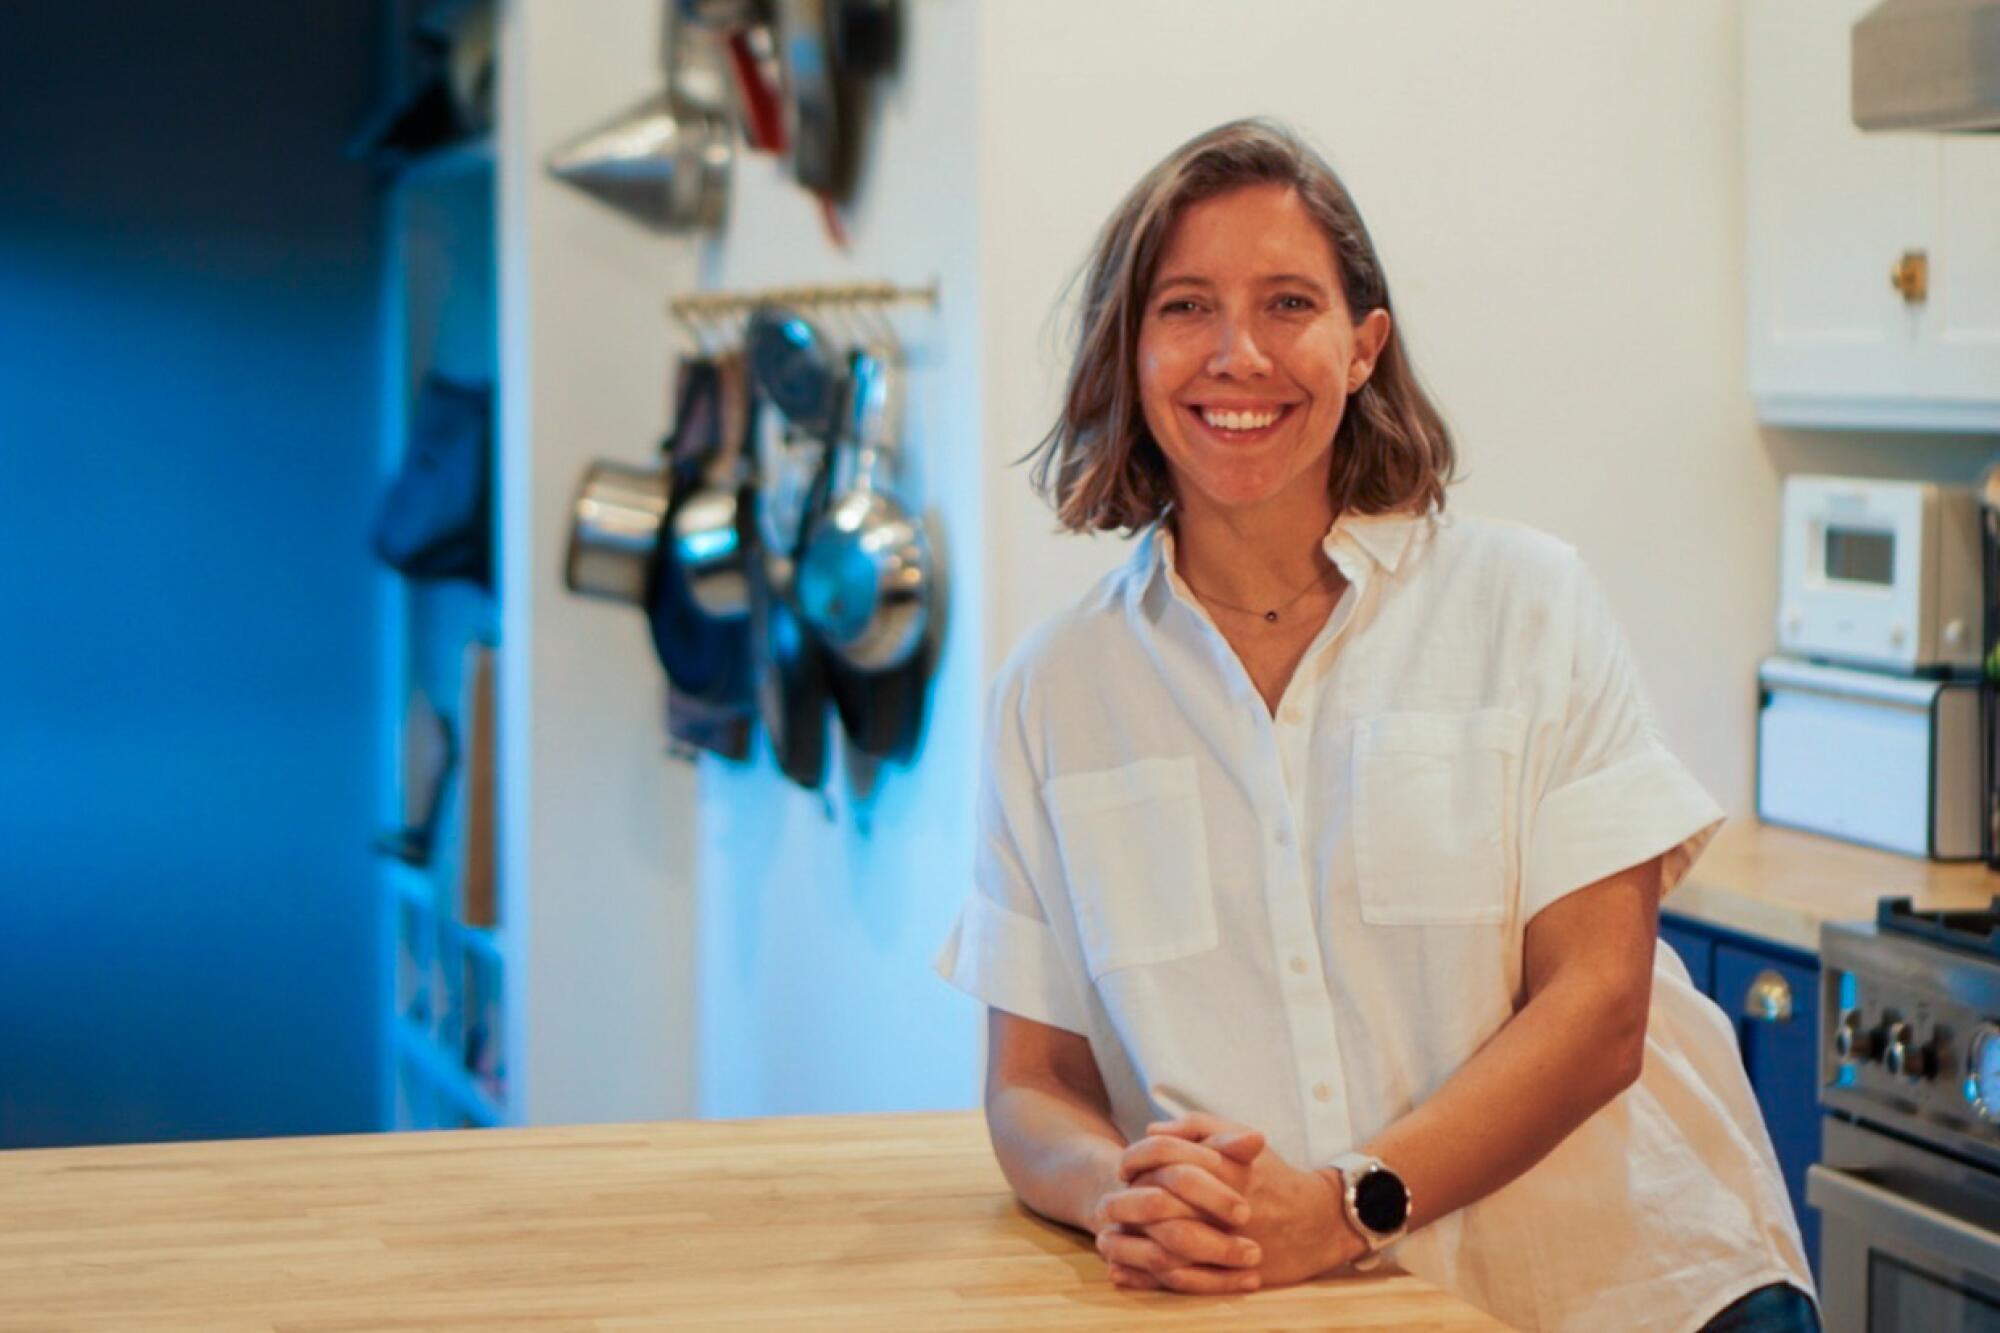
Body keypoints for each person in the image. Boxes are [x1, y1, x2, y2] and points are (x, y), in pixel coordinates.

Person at [932, 119, 1819, 1333]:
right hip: (1306, 1311)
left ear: (1361, 348)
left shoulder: (1525, 606)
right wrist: (1119, 1194)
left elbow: (1598, 1007)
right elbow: (1032, 1086)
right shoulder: (1054, 690)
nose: (1237, 354)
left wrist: (1351, 1204)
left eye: (1286, 302)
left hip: (1639, 1295)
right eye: (1185, 307)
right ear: (1128, 353)